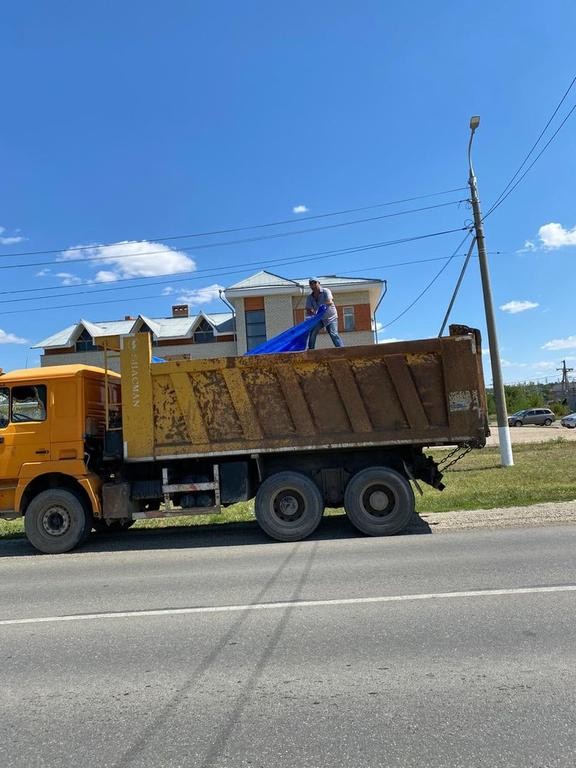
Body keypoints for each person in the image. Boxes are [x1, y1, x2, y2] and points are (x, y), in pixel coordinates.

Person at [305, 278, 344, 349]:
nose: (313, 285)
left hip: (330, 317)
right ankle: (311, 350)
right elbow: (308, 309)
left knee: (333, 333)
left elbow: (330, 302)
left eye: (314, 283)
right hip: (320, 318)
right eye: (311, 283)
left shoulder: (326, 291)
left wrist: (320, 307)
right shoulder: (310, 297)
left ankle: (341, 349)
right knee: (313, 332)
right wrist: (311, 312)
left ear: (319, 283)